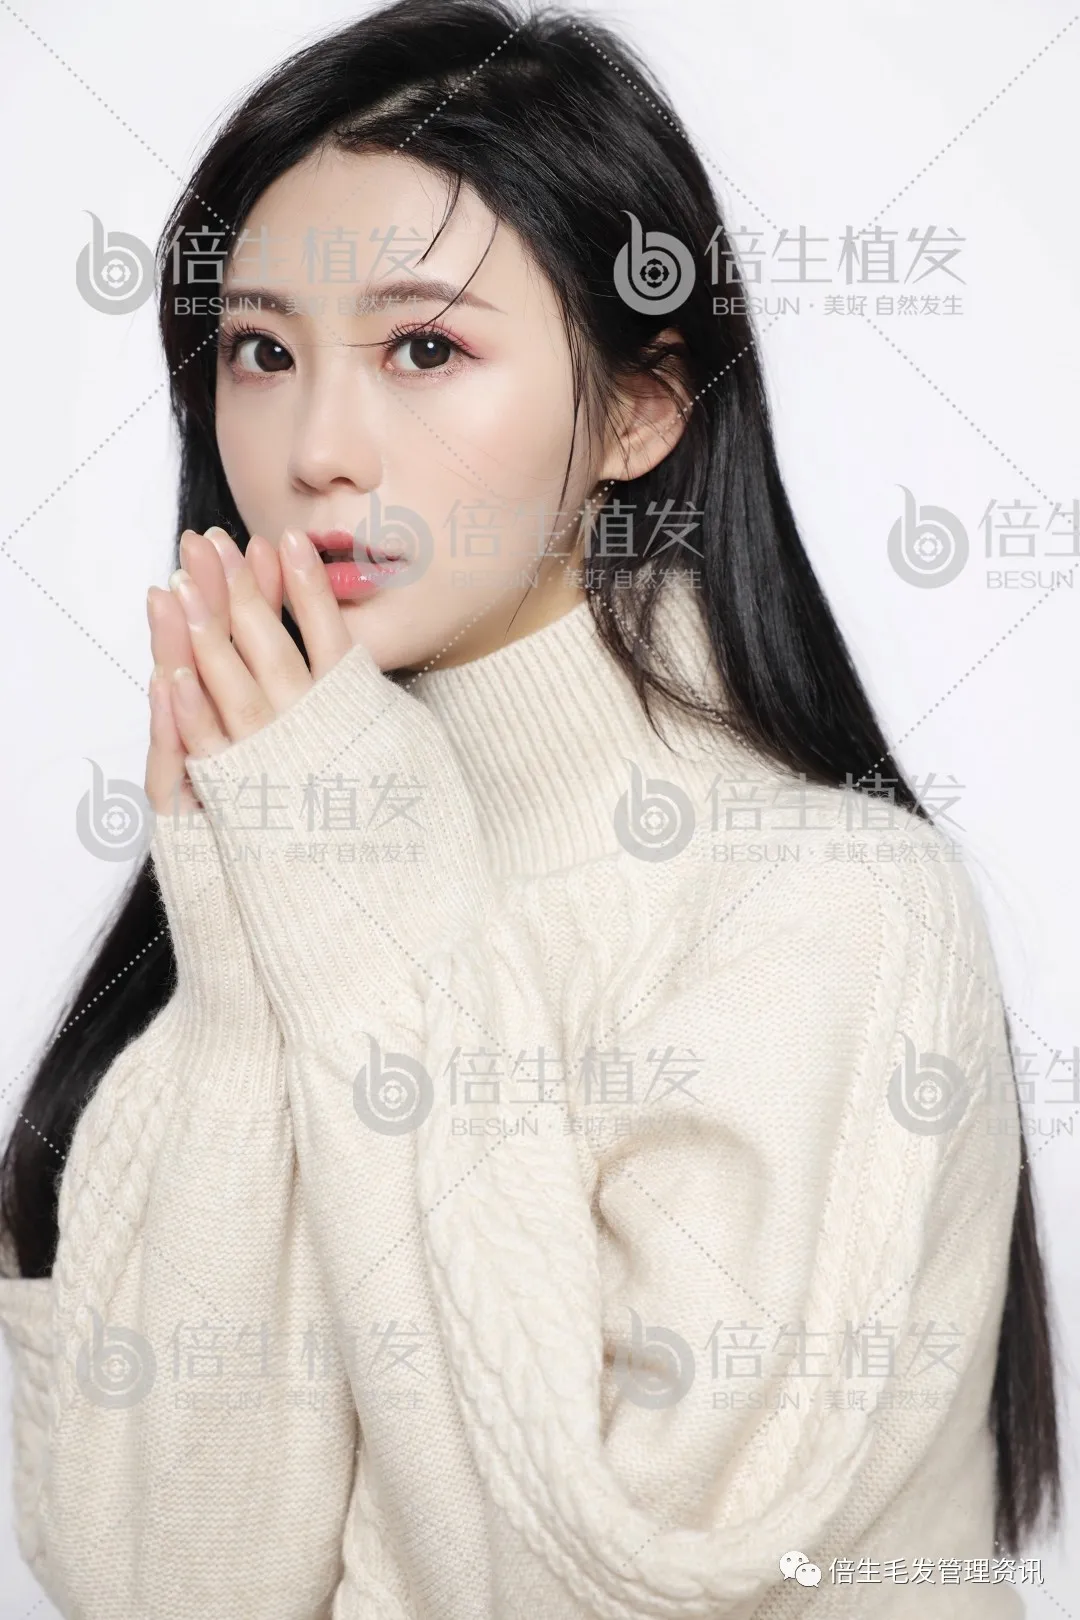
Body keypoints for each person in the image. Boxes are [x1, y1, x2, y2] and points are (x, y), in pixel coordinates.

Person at [0, 2, 1060, 1615]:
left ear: (641, 406)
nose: (317, 447)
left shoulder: (828, 909)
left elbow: (608, 1585)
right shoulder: (248, 898)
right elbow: (165, 1591)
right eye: (262, 351)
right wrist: (244, 958)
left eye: (425, 350)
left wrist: (361, 916)